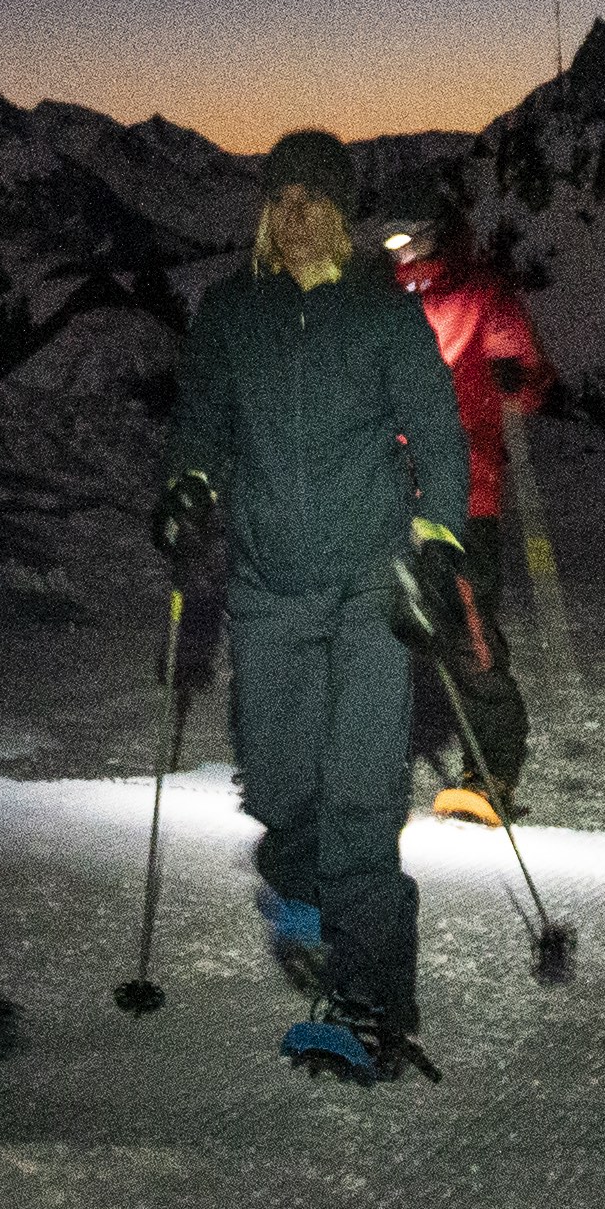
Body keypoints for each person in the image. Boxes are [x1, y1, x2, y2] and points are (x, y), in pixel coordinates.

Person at [162, 129, 475, 1086]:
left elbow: (437, 432)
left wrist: (438, 543)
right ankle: (303, 901)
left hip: (366, 589)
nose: (297, 216)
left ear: (341, 214)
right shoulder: (232, 313)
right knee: (281, 787)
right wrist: (189, 483)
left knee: (357, 797)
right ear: (267, 212)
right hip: (267, 586)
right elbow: (204, 423)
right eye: (282, 198)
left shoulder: (381, 317)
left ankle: (372, 1002)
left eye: (316, 200)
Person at [375, 177, 552, 820]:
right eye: (392, 240)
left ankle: (492, 769)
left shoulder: (481, 295)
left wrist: (516, 375)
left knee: (463, 624)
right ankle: (360, 751)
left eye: (410, 237)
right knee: (380, 619)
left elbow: (528, 381)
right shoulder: (382, 303)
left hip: (465, 489)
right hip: (387, 487)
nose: (400, 251)